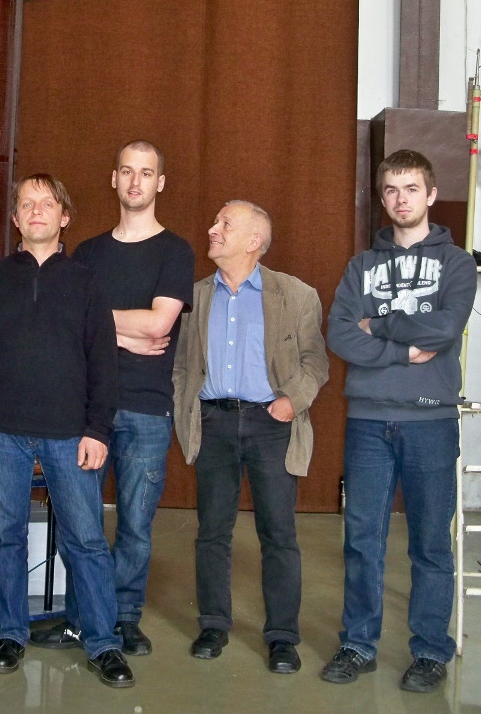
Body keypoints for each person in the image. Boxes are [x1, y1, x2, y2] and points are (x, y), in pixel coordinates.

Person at [0, 174, 135, 688]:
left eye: (47, 202)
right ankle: (11, 633)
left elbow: (103, 364)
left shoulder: (86, 284)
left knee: (87, 540)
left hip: (69, 435)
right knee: (5, 537)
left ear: (64, 216)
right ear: (15, 219)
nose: (36, 210)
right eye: (27, 204)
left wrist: (98, 430)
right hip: (0, 432)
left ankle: (102, 643)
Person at [321, 149, 477, 694]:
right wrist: (403, 350)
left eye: (411, 188)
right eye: (391, 189)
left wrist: (379, 324)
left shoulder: (457, 263)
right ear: (382, 197)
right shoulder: (361, 266)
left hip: (431, 421)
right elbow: (340, 334)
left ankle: (430, 651)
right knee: (362, 539)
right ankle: (358, 645)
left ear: (430, 194)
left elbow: (446, 328)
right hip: (368, 421)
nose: (401, 199)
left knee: (430, 543)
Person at [29, 140, 193, 656]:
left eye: (146, 172)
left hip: (146, 407)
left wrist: (100, 325)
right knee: (82, 524)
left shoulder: (175, 252)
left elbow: (160, 324)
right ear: (114, 179)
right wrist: (124, 334)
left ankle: (123, 619)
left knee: (135, 526)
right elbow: (66, 323)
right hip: (85, 408)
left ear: (159, 183)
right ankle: (81, 619)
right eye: (127, 171)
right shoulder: (89, 253)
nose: (135, 181)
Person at [171, 200, 329, 675]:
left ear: (253, 241)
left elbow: (315, 362)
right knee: (212, 531)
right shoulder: (194, 297)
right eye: (215, 220)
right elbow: (181, 365)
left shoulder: (296, 295)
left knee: (279, 534)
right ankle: (213, 625)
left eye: (225, 223)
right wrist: (187, 408)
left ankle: (282, 636)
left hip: (271, 426)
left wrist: (292, 401)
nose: (212, 228)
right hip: (214, 424)